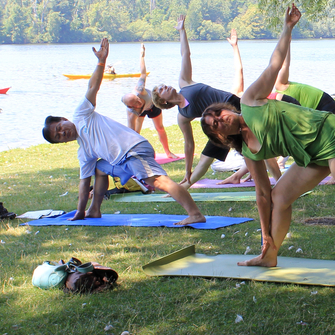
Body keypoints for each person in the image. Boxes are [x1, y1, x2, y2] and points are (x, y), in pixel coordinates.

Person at [200, 4, 335, 286]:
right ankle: (270, 255)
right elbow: (262, 195)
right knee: (280, 198)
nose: (219, 120)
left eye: (218, 114)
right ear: (219, 137)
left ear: (228, 109)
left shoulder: (250, 100)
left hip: (330, 135)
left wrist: (287, 28)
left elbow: (274, 64)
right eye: (213, 125)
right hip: (309, 155)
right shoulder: (248, 151)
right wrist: (265, 234)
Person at [41, 37, 204, 225]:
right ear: (61, 143)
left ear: (63, 120)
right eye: (58, 136)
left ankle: (195, 214)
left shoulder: (81, 114)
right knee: (98, 168)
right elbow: (84, 183)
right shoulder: (84, 151)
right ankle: (94, 210)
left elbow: (93, 85)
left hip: (133, 150)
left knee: (157, 181)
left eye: (60, 128)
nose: (63, 133)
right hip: (122, 161)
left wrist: (101, 61)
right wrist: (80, 211)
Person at [151, 17, 283, 187]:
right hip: (220, 124)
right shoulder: (182, 116)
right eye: (161, 90)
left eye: (163, 85)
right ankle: (185, 186)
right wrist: (186, 169)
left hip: (235, 107)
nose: (165, 87)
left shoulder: (184, 83)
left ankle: (279, 182)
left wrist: (181, 31)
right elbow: (189, 144)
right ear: (163, 101)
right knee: (207, 157)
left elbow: (185, 54)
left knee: (258, 146)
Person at [120, 43, 175, 157]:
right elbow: (131, 133)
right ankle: (136, 153)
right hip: (141, 111)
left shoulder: (139, 89)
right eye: (136, 103)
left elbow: (143, 73)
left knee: (160, 128)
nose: (139, 102)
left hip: (153, 103)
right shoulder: (132, 113)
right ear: (131, 107)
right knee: (136, 132)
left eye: (137, 99)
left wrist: (142, 56)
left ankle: (168, 152)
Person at [272, 39, 335, 115]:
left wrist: (287, 42)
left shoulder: (280, 85)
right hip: (316, 107)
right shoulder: (279, 103)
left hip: (323, 102)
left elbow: (285, 65)